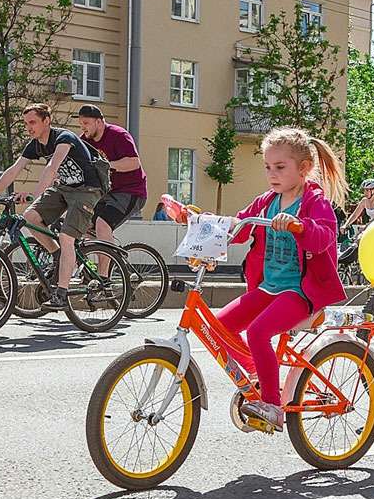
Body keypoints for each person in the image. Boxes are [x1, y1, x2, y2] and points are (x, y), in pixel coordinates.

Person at [173, 127, 347, 431]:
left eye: (280, 167)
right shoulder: (267, 201)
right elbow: (238, 227)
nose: (272, 174)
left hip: (299, 292)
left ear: (304, 168)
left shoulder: (314, 201)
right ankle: (260, 373)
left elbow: (323, 238)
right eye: (267, 167)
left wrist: (299, 226)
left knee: (257, 332)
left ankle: (272, 406)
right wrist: (197, 218)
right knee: (219, 327)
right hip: (269, 288)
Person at [0, 104, 106, 309]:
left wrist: (35, 195)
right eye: (26, 123)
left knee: (66, 237)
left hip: (87, 189)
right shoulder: (35, 145)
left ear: (47, 121)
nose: (28, 127)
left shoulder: (64, 138)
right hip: (65, 188)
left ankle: (61, 294)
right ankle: (57, 254)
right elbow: (14, 170)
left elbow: (52, 167)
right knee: (30, 218)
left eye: (33, 122)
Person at [76, 104, 145, 239]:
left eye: (86, 123)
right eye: (80, 124)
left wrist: (106, 165)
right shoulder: (84, 141)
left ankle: (109, 252)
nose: (82, 127)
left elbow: (134, 163)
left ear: (98, 122)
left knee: (102, 225)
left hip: (130, 192)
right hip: (104, 193)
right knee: (85, 227)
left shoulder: (118, 135)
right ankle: (103, 249)